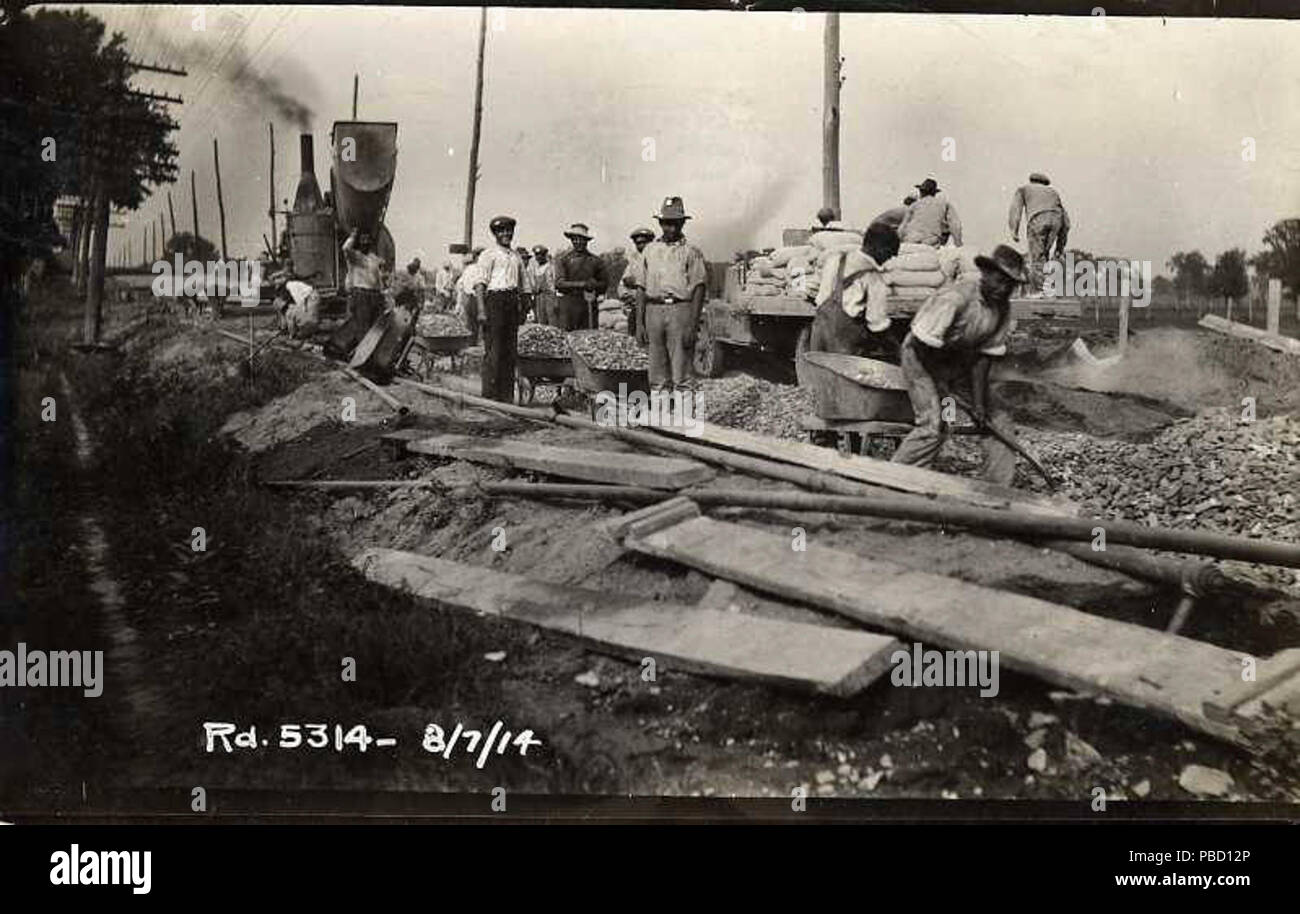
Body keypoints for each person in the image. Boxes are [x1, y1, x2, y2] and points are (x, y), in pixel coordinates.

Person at [891, 244, 1027, 486]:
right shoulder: (955, 298)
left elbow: (983, 357)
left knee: (1000, 419)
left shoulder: (1002, 309)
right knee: (935, 424)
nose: (1004, 288)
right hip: (920, 360)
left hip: (957, 362)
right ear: (986, 273)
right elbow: (922, 345)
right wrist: (942, 386)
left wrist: (979, 405)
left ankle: (996, 490)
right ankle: (893, 482)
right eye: (999, 280)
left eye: (1010, 284)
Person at [629, 196, 708, 411]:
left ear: (682, 223)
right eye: (665, 222)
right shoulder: (650, 250)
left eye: (674, 222)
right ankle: (661, 419)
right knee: (656, 370)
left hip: (680, 309)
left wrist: (693, 324)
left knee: (681, 370)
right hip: (653, 309)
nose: (669, 227)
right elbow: (641, 287)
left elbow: (699, 287)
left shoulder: (691, 252)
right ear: (660, 223)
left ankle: (684, 421)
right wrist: (639, 323)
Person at [807, 222, 901, 359]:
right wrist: (897, 350)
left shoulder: (836, 259)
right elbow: (877, 324)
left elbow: (820, 297)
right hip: (844, 346)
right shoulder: (873, 278)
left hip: (819, 336)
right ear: (880, 248)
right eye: (890, 254)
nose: (889, 259)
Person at [473, 215, 525, 402]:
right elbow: (480, 283)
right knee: (493, 351)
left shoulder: (517, 256)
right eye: (501, 231)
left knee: (509, 352)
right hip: (494, 301)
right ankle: (489, 396)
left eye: (508, 230)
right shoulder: (488, 254)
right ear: (495, 234)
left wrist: (523, 309)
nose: (506, 234)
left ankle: (506, 397)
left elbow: (523, 285)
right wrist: (481, 309)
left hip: (511, 302)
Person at [327, 227, 385, 358]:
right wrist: (353, 236)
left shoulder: (373, 258)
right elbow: (345, 248)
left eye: (368, 241)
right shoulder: (355, 256)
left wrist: (381, 292)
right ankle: (360, 355)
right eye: (363, 241)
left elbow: (378, 277)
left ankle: (369, 354)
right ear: (359, 243)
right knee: (362, 327)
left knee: (374, 327)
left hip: (374, 295)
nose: (365, 243)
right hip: (361, 294)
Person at [1008, 172, 1070, 293]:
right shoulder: (1053, 192)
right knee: (1044, 256)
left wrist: (1014, 230)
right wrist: (1060, 246)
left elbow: (1015, 210)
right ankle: (1048, 288)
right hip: (1057, 220)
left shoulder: (1024, 189)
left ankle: (1040, 292)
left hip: (1037, 218)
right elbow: (1066, 222)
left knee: (1036, 258)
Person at [552, 223, 608, 330]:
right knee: (569, 337)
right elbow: (559, 284)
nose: (578, 242)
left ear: (586, 241)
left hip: (589, 305)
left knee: (589, 337)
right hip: (569, 306)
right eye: (574, 239)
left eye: (581, 239)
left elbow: (604, 284)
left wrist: (594, 285)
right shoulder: (564, 260)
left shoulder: (596, 261)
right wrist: (583, 284)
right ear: (571, 240)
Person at [897, 178, 962, 247]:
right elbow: (955, 225)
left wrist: (899, 242)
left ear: (921, 192)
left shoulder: (914, 205)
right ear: (934, 193)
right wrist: (958, 243)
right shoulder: (944, 204)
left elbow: (902, 227)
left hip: (911, 239)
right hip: (930, 242)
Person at [620, 227, 655, 337]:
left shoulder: (658, 257)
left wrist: (636, 282)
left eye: (645, 242)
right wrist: (626, 294)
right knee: (634, 338)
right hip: (636, 306)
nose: (641, 246)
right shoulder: (634, 260)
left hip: (652, 306)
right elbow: (624, 281)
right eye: (638, 243)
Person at [455, 247, 485, 342]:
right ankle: (472, 343)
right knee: (472, 323)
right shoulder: (472, 269)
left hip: (477, 297)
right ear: (476, 257)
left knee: (476, 324)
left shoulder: (482, 268)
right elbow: (461, 285)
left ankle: (474, 342)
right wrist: (460, 301)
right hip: (472, 297)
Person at [531, 245, 556, 326]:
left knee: (550, 317)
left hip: (549, 295)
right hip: (539, 296)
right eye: (537, 255)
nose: (539, 257)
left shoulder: (550, 266)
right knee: (541, 318)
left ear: (545, 255)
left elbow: (551, 283)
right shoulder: (536, 268)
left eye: (541, 255)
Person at [516, 245, 538, 322]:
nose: (525, 261)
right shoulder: (515, 272)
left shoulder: (529, 271)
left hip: (528, 297)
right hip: (519, 298)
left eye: (526, 259)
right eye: (523, 259)